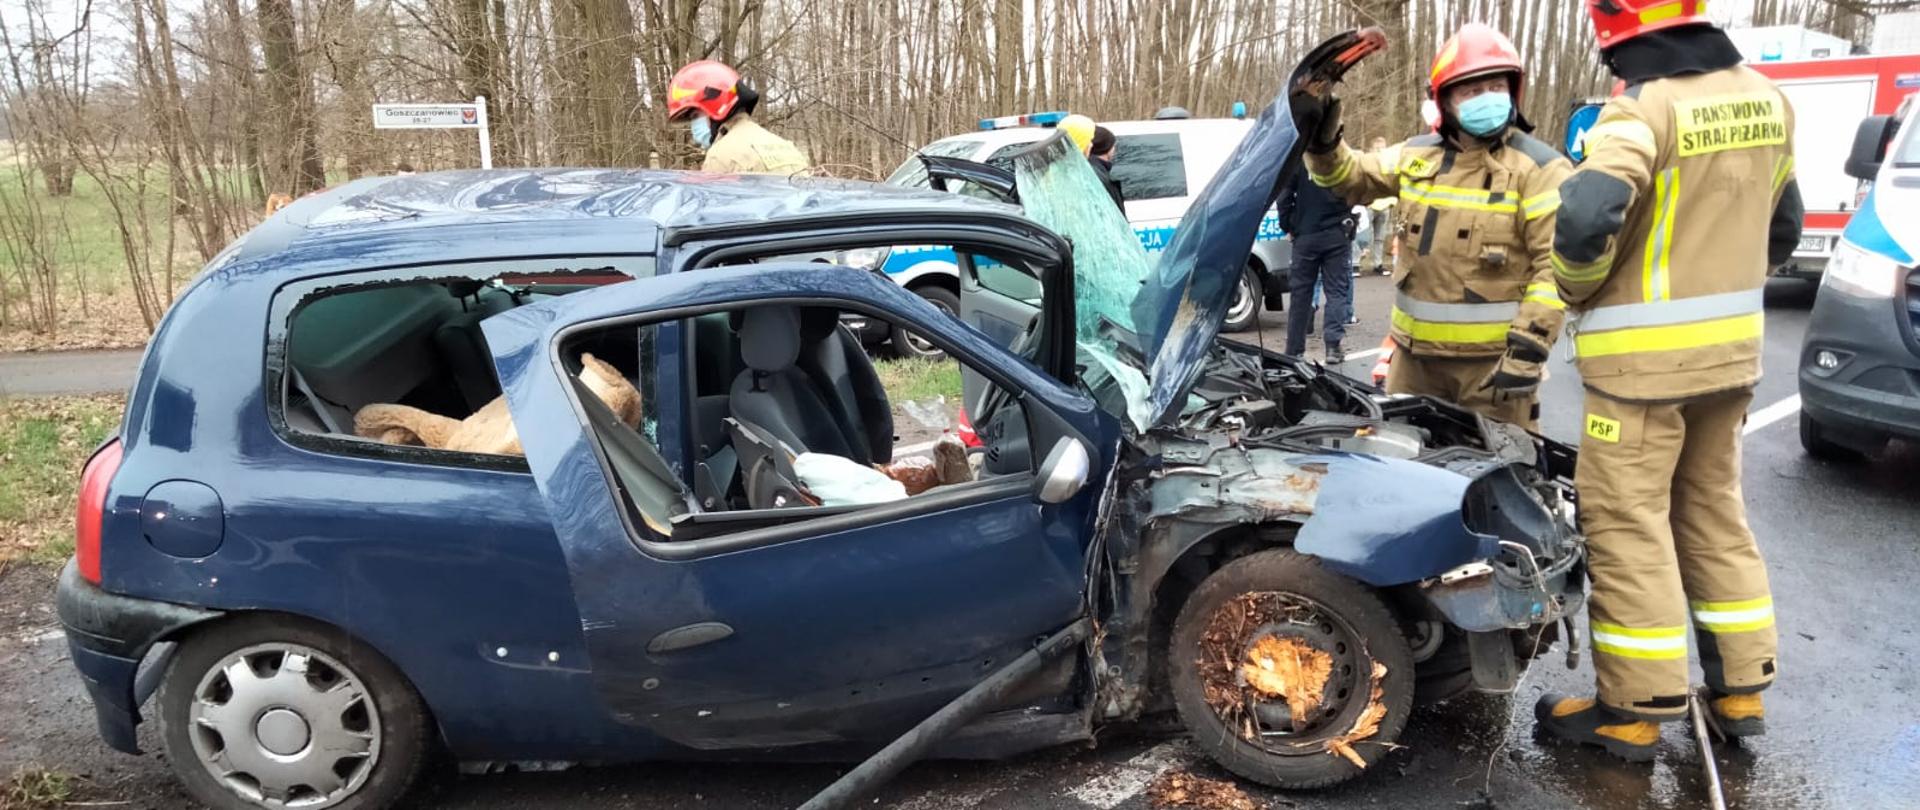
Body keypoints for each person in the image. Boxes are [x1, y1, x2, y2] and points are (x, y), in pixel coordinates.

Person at [1532, 0, 1800, 761]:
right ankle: (1741, 691)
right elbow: (1784, 224)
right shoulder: (1768, 99)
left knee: (1627, 524)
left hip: (1642, 372)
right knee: (1713, 508)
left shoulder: (1641, 110)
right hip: (1734, 360)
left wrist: (1577, 286)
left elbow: (1587, 214)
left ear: (1618, 27)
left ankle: (1633, 710)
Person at [1299, 23, 1573, 430]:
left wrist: (1528, 350)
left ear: (1513, 91)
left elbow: (1554, 269)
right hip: (1414, 368)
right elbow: (1350, 177)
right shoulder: (1416, 155)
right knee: (1405, 478)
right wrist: (1322, 143)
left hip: (1492, 375)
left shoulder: (1541, 170)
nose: (1487, 98)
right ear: (1445, 99)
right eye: (1471, 91)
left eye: (1495, 86)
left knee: (1496, 485)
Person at [667, 60, 811, 176]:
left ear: (715, 105)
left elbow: (714, 210)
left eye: (695, 115)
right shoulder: (786, 147)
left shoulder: (720, 156)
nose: (694, 127)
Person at [1277, 166, 1354, 365]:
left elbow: (1284, 196)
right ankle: (1333, 346)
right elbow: (1358, 190)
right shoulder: (1340, 159)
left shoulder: (1301, 159)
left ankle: (1294, 351)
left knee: (1300, 294)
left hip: (1306, 234)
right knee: (1336, 291)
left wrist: (1289, 225)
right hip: (1337, 233)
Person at [1362, 137, 1395, 275]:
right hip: (1369, 205)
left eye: (1383, 148)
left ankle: (1378, 264)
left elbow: (1393, 184)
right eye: (1377, 148)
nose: (1380, 151)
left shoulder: (1389, 165)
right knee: (1364, 236)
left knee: (1380, 237)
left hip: (1384, 205)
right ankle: (1357, 263)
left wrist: (1392, 201)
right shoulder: (1366, 164)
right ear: (1371, 149)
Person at [1089, 125, 1126, 210]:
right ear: (1107, 147)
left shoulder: (1092, 170)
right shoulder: (1099, 176)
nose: (1114, 148)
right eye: (1113, 145)